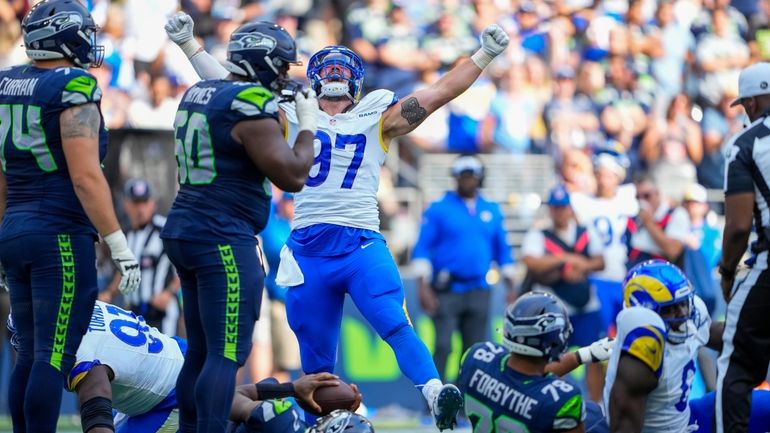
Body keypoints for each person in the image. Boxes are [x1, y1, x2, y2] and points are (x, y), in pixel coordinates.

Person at [165, 11, 512, 430]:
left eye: (340, 67)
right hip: (309, 249)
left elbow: (438, 93)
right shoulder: (290, 110)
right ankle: (330, 423)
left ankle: (435, 392)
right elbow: (231, 85)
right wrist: (188, 46)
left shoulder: (375, 114)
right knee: (318, 370)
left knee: (394, 321)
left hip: (360, 242)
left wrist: (485, 53)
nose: (332, 73)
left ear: (355, 78)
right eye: (326, 67)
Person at [159, 21, 318, 433]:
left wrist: (190, 47)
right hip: (221, 236)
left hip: (188, 225)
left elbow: (227, 96)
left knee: (200, 351)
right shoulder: (249, 103)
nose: (285, 75)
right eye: (281, 66)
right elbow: (293, 176)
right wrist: (308, 127)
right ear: (263, 62)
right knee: (225, 353)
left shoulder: (199, 92)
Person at [0, 1, 141, 432]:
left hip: (16, 229)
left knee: (28, 351)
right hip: (58, 232)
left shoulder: (8, 82)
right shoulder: (73, 84)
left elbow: (2, 176)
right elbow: (85, 176)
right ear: (64, 35)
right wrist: (118, 242)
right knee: (51, 355)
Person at [7, 300, 361, 433]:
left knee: (236, 412)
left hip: (165, 399)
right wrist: (291, 388)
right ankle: (285, 404)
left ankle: (287, 424)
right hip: (180, 362)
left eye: (18, 339)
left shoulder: (80, 356)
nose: (16, 349)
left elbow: (96, 394)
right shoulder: (87, 309)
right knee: (223, 403)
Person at [411, 154, 515, 381]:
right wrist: (422, 286)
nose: (467, 181)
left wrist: (511, 286)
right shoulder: (438, 208)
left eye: (472, 176)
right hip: (447, 288)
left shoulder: (491, 209)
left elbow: (503, 251)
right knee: (443, 345)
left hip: (479, 288)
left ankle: (464, 403)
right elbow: (422, 248)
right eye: (463, 176)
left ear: (480, 178)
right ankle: (434, 400)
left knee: (474, 351)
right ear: (455, 178)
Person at [604, 260, 723, 432]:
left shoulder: (691, 316)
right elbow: (625, 426)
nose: (682, 314)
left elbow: (724, 336)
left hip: (685, 419)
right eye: (670, 308)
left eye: (683, 303)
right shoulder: (641, 355)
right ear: (646, 312)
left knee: (762, 405)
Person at [457, 291, 602, 433]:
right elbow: (530, 384)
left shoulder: (475, 356)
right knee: (594, 414)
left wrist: (583, 355)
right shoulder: (563, 400)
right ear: (554, 340)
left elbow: (519, 378)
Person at [716, 61, 770, 433]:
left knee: (734, 367)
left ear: (750, 104)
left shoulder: (746, 144)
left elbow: (738, 226)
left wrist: (726, 271)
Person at [521, 184, 606, 401]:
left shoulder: (584, 232)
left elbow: (600, 261)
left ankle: (595, 405)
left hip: (585, 304)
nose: (560, 212)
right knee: (554, 359)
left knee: (594, 357)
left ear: (569, 208)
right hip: (554, 306)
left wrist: (582, 267)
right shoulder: (540, 234)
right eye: (555, 207)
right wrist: (566, 260)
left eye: (563, 207)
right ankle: (556, 404)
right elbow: (532, 263)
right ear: (550, 210)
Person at [100, 178, 181, 335]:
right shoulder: (126, 235)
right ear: (126, 205)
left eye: (144, 202)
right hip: (134, 313)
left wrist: (169, 293)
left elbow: (185, 264)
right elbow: (124, 271)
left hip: (161, 313)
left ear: (153, 203)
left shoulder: (165, 230)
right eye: (136, 203)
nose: (140, 209)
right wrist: (109, 293)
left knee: (167, 356)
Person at [570, 149, 637, 332]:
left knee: (627, 336)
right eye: (599, 175)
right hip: (597, 277)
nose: (603, 180)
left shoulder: (628, 198)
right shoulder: (582, 202)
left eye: (608, 175)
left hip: (624, 275)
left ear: (618, 177)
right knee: (599, 339)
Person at [625, 176, 690, 268]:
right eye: (637, 197)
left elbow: (673, 250)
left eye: (646, 196)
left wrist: (648, 222)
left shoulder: (676, 214)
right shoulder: (633, 217)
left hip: (662, 274)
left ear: (658, 193)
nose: (641, 200)